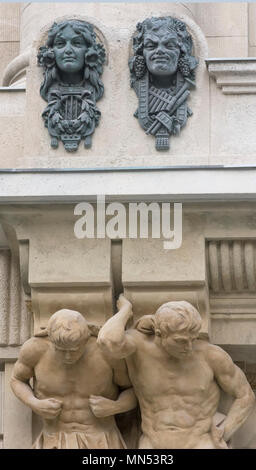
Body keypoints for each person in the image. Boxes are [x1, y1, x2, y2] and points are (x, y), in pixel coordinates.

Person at [98, 295, 255, 449]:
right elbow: (108, 342)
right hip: (152, 443)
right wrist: (126, 310)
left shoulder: (211, 356)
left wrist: (225, 430)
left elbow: (245, 395)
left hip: (200, 443)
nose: (188, 347)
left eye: (193, 339)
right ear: (159, 333)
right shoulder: (140, 350)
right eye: (181, 341)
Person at [11, 309, 137, 449]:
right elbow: (17, 380)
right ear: (51, 340)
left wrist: (115, 407)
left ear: (86, 340)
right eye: (60, 350)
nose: (68, 357)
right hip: (54, 438)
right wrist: (34, 403)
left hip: (101, 438)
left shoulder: (105, 353)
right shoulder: (34, 349)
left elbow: (133, 390)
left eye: (74, 350)